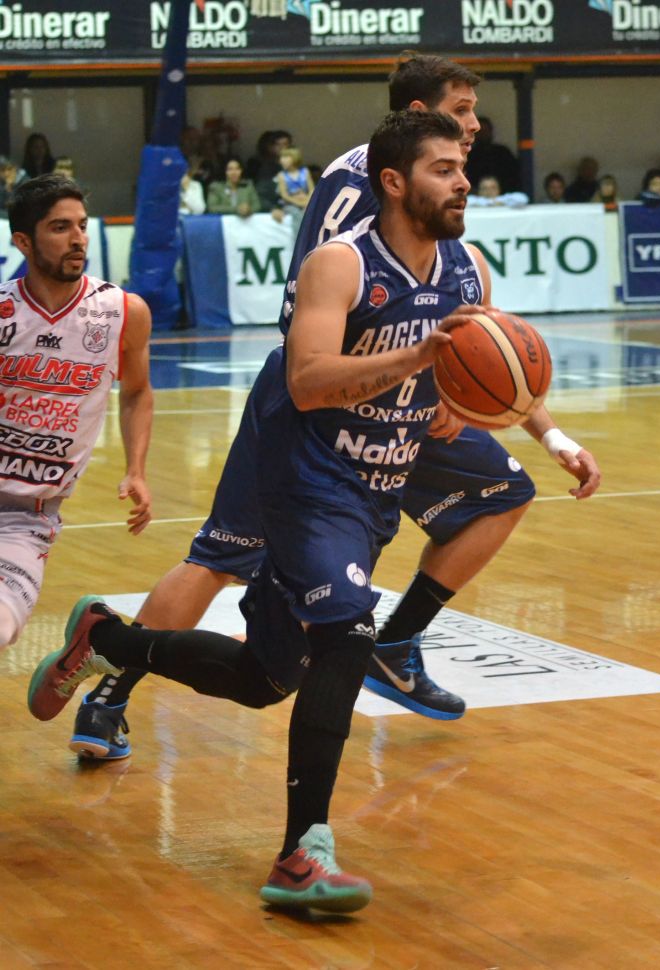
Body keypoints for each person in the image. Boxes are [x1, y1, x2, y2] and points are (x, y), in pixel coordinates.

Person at [65, 52, 600, 762]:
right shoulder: (360, 186)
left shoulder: (444, 206)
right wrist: (408, 365)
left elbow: (479, 337)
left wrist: (550, 433)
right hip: (320, 400)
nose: (475, 125)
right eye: (462, 110)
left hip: (405, 400)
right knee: (224, 559)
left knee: (503, 493)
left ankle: (396, 643)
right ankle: (110, 689)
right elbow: (323, 330)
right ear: (416, 121)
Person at [29, 109, 486, 913]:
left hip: (374, 495)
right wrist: (419, 356)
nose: (462, 181)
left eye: (461, 167)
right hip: (307, 481)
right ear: (393, 181)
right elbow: (306, 381)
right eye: (443, 168)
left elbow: (472, 377)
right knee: (347, 637)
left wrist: (483, 410)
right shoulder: (339, 264)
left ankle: (107, 639)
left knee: (263, 679)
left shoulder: (468, 268)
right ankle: (300, 856)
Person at [0, 174, 153, 651]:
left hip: (27, 517)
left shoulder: (123, 311)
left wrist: (136, 469)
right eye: (60, 227)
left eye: (82, 225)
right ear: (23, 241)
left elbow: (136, 392)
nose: (78, 239)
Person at [464, 115, 520, 194]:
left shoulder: (503, 153)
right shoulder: (469, 155)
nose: (483, 134)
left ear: (491, 131)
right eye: (480, 131)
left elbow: (514, 176)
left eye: (485, 131)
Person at [276, 147, 315, 234]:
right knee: (296, 213)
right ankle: (299, 237)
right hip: (290, 204)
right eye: (281, 158)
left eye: (286, 157)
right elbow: (284, 195)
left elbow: (311, 189)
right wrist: (299, 203)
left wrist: (307, 201)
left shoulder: (305, 172)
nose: (282, 160)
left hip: (306, 201)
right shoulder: (281, 175)